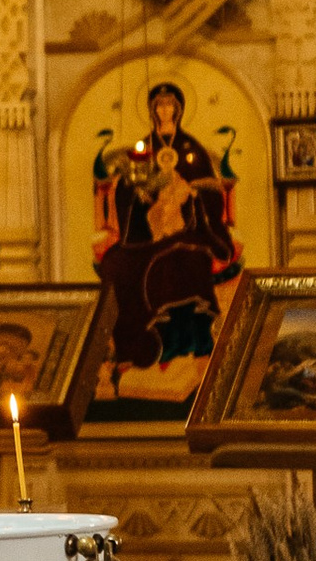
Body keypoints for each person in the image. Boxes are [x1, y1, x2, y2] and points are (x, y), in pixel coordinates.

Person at [96, 81, 239, 375]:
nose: (164, 110)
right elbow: (126, 190)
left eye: (169, 105)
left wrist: (192, 194)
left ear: (179, 109)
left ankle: (186, 341)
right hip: (147, 232)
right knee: (117, 264)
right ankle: (131, 343)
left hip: (190, 227)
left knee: (184, 259)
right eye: (159, 105)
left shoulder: (192, 149)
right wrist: (139, 196)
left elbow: (212, 189)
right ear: (151, 110)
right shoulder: (144, 148)